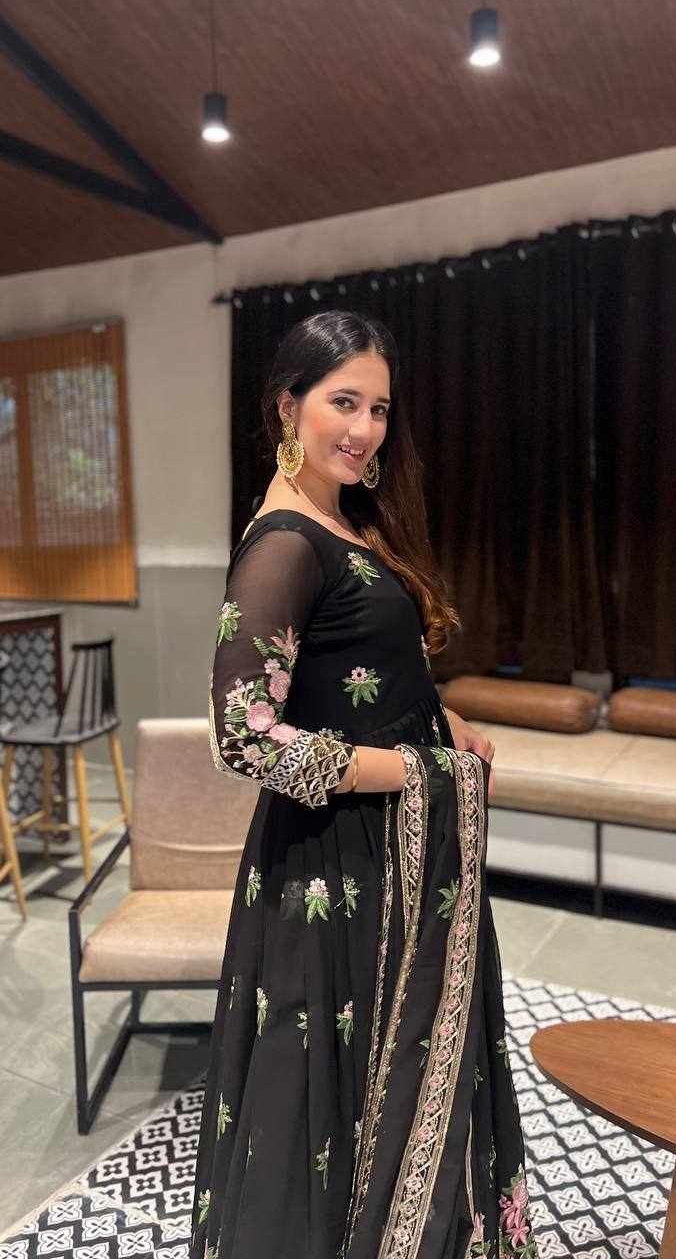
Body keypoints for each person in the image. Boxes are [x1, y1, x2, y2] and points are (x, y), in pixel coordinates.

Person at [191, 311, 536, 1259]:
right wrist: (419, 771)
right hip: (339, 865)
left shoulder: (346, 522)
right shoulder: (284, 545)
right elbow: (244, 737)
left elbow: (363, 674)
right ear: (287, 407)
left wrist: (442, 722)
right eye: (343, 402)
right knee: (336, 1087)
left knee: (394, 1072)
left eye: (378, 408)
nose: (365, 428)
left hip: (397, 857)